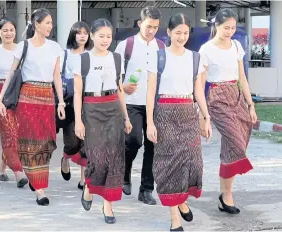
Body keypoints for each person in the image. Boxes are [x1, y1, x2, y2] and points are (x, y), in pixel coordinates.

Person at [147, 13, 212, 231]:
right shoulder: (157, 56)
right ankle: (175, 218)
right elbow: (149, 92)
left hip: (188, 114)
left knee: (192, 163)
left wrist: (206, 117)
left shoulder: (195, 58)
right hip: (164, 113)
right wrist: (150, 122)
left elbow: (198, 92)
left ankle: (182, 199)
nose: (182, 37)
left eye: (185, 33)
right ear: (168, 32)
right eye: (177, 33)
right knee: (168, 164)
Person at [0, 8, 65, 206]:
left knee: (47, 141)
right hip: (27, 98)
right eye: (47, 23)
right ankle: (40, 189)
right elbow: (11, 75)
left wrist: (61, 101)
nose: (50, 26)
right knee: (29, 143)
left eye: (52, 23)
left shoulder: (54, 48)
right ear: (36, 24)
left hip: (47, 98)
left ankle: (36, 178)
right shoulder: (23, 46)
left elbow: (57, 76)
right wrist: (0, 99)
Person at [73, 18, 132, 224]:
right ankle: (89, 187)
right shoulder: (82, 59)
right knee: (97, 157)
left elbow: (120, 90)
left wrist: (125, 117)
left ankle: (108, 204)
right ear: (92, 36)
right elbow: (78, 92)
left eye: (108, 36)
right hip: (91, 108)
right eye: (101, 36)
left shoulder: (117, 58)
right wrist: (78, 121)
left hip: (113, 107)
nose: (105, 40)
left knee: (115, 156)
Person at [199, 9, 256, 214]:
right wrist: (202, 114)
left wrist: (250, 104)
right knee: (236, 142)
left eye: (233, 28)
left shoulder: (237, 45)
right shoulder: (206, 49)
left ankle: (226, 194)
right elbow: (200, 83)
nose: (230, 31)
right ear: (216, 26)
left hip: (237, 95)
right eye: (226, 28)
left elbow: (242, 76)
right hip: (217, 98)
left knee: (232, 146)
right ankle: (226, 195)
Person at [114, 6, 163, 204]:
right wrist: (123, 86)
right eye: (149, 26)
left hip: (155, 103)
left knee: (153, 145)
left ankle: (146, 189)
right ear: (139, 23)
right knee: (133, 141)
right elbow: (113, 75)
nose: (152, 31)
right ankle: (124, 174)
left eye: (156, 27)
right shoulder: (126, 45)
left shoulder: (160, 46)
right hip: (132, 103)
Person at [0, 17, 28, 187]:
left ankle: (2, 168)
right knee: (10, 132)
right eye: (5, 30)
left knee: (17, 134)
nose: (9, 33)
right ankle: (19, 172)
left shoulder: (21, 50)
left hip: (19, 92)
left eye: (11, 29)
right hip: (0, 94)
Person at [57, 21, 93, 190]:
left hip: (88, 102)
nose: (82, 35)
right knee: (72, 142)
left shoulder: (92, 55)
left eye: (85, 32)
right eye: (79, 33)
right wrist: (60, 103)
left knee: (87, 143)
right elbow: (57, 79)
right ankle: (65, 159)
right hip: (70, 102)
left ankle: (83, 179)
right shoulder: (64, 55)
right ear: (73, 35)